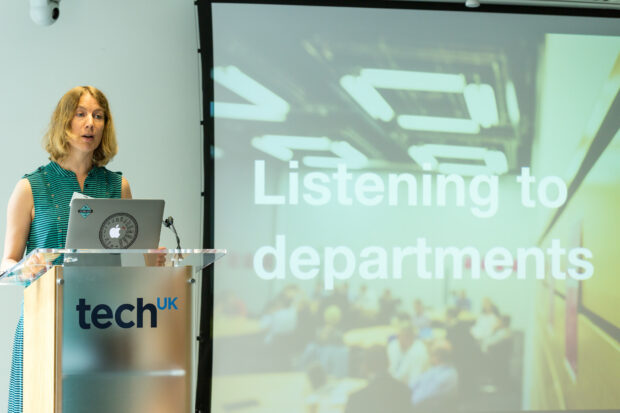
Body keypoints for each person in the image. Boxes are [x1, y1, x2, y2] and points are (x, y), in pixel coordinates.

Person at [1, 86, 131, 413]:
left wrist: (155, 257)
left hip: (102, 327)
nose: (91, 123)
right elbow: (9, 260)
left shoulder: (118, 187)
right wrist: (29, 266)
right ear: (64, 122)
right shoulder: (30, 186)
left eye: (99, 116)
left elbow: (135, 253)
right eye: (81, 114)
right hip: (44, 323)